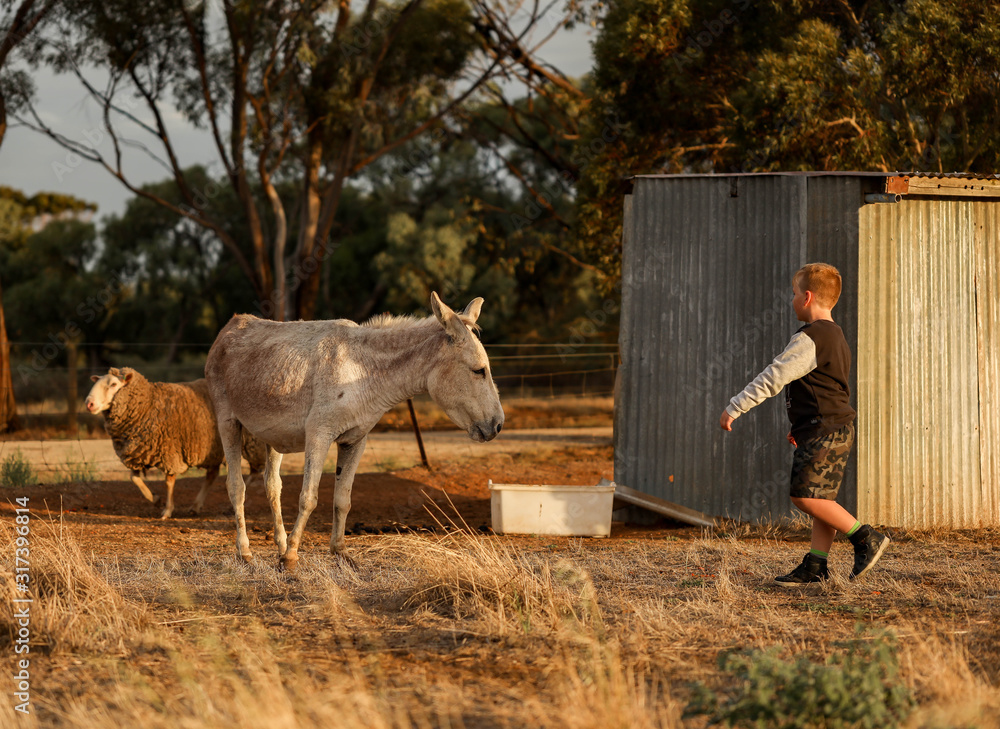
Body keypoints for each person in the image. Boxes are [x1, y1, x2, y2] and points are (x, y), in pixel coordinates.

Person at [719, 263, 889, 586]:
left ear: (807, 297)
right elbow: (826, 389)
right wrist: (800, 424)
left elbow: (774, 377)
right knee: (821, 498)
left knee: (804, 496)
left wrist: (735, 407)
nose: (791, 299)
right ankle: (816, 565)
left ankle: (865, 537)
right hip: (830, 426)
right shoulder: (836, 336)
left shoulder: (810, 339)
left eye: (794, 294)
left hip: (825, 428)